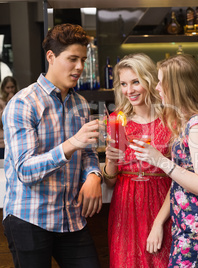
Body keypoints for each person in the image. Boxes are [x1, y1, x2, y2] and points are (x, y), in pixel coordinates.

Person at [2, 23, 103, 268]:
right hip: (29, 218)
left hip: (70, 217)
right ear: (51, 57)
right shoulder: (23, 104)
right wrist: (70, 144)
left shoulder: (79, 103)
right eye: (72, 59)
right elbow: (25, 170)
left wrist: (93, 176)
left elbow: (88, 152)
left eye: (82, 59)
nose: (79, 67)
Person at [130, 54, 198, 267]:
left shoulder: (197, 127)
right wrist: (160, 221)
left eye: (161, 82)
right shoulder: (187, 124)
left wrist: (160, 161)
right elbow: (181, 181)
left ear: (176, 87)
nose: (157, 88)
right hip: (189, 226)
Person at [102, 53, 172, 267]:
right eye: (123, 84)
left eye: (135, 82)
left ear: (150, 81)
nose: (129, 90)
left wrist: (160, 222)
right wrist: (111, 160)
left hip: (163, 203)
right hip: (126, 205)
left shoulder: (170, 119)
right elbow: (111, 182)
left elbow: (180, 174)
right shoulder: (116, 120)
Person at [0, 76, 18, 158]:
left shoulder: (19, 99)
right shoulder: (1, 102)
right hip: (2, 143)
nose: (10, 90)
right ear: (3, 88)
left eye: (12, 87)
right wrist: (7, 103)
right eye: (8, 88)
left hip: (15, 141)